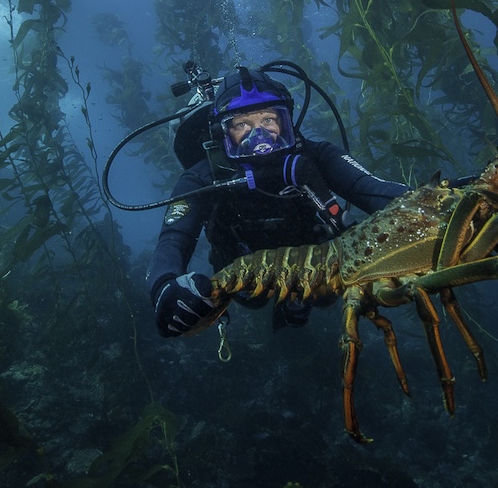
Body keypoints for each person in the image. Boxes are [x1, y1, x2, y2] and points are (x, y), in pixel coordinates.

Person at [147, 66, 408, 337]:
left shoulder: (316, 156)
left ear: (286, 122)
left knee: (324, 296)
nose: (259, 137)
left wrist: (427, 197)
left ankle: (296, 304)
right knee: (253, 299)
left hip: (313, 265)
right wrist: (163, 285)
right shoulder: (201, 178)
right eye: (242, 125)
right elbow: (173, 239)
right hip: (243, 274)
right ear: (222, 132)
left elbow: (371, 189)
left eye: (269, 120)